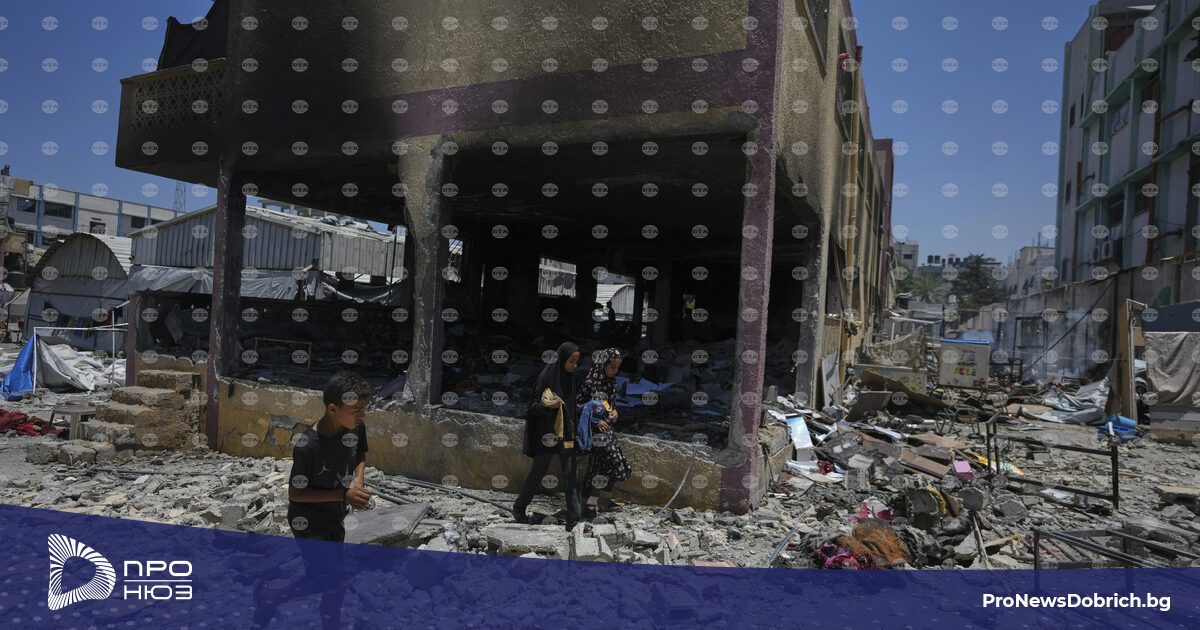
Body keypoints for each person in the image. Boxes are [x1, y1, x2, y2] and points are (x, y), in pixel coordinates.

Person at [253, 371, 373, 629]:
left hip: (335, 517)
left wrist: (358, 481)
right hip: (308, 522)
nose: (362, 415)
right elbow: (296, 493)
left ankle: (275, 599)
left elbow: (360, 455)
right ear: (333, 409)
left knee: (331, 582)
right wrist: (343, 494)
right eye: (357, 410)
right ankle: (270, 596)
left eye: (364, 409)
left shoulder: (355, 427)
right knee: (334, 580)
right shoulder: (308, 445)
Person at [513, 341, 583, 530]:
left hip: (566, 433)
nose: (574, 365)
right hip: (547, 434)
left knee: (571, 475)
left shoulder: (570, 378)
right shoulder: (546, 377)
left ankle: (574, 521)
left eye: (576, 362)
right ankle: (519, 508)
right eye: (571, 361)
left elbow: (571, 406)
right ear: (562, 359)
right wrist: (549, 406)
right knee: (538, 472)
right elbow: (533, 407)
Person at [577, 348, 632, 514]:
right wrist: (595, 421)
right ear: (603, 364)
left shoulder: (611, 382)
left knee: (596, 468)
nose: (615, 371)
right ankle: (601, 502)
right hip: (594, 433)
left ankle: (585, 504)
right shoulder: (590, 382)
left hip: (607, 431)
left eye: (617, 367)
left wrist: (614, 412)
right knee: (615, 462)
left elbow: (608, 404)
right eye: (612, 367)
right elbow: (578, 406)